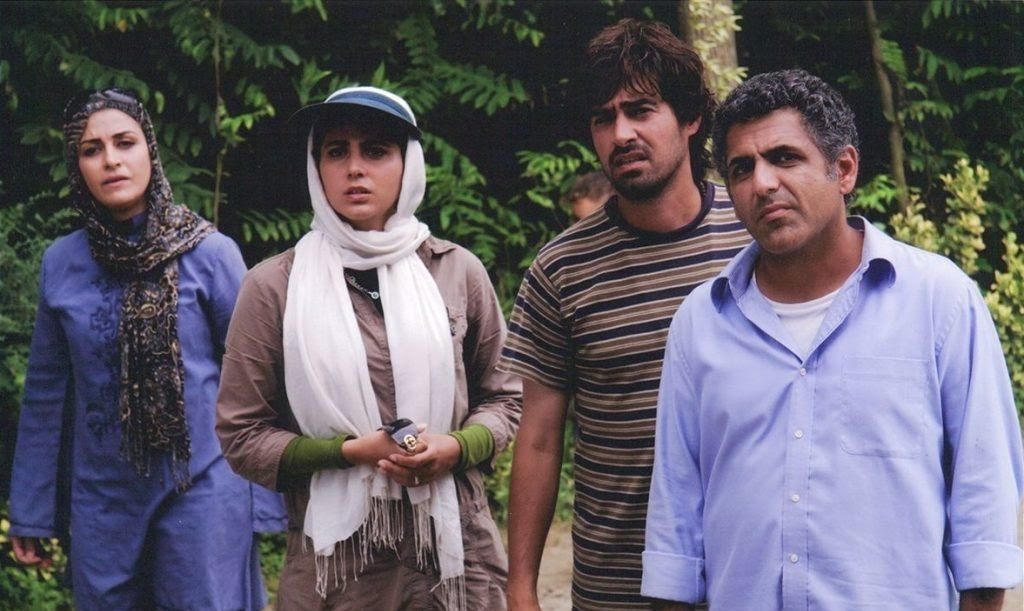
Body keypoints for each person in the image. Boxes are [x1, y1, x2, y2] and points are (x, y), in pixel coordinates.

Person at [642, 69, 1024, 610]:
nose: (762, 183)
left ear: (843, 169)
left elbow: (984, 499)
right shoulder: (702, 322)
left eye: (785, 157)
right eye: (742, 168)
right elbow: (676, 517)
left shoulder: (938, 301)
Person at [215, 85, 521, 610]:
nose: (355, 168)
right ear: (316, 167)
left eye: (376, 151)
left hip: (454, 553)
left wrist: (455, 448)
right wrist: (348, 453)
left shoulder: (456, 271)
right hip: (338, 565)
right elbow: (241, 433)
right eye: (337, 151)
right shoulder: (274, 287)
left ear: (408, 164)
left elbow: (506, 398)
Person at [501, 19, 750, 610]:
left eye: (641, 110)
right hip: (618, 583)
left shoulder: (755, 236)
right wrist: (521, 588)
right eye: (603, 118)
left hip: (749, 573)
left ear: (691, 118)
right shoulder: (562, 269)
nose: (621, 133)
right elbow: (538, 439)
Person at [7, 88, 285, 610]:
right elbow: (46, 396)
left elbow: (261, 377)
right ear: (77, 167)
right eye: (91, 150)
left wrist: (269, 500)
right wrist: (32, 512)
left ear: (150, 151)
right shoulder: (61, 264)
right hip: (103, 499)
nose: (111, 160)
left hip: (202, 485)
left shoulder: (210, 254)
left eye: (124, 142)